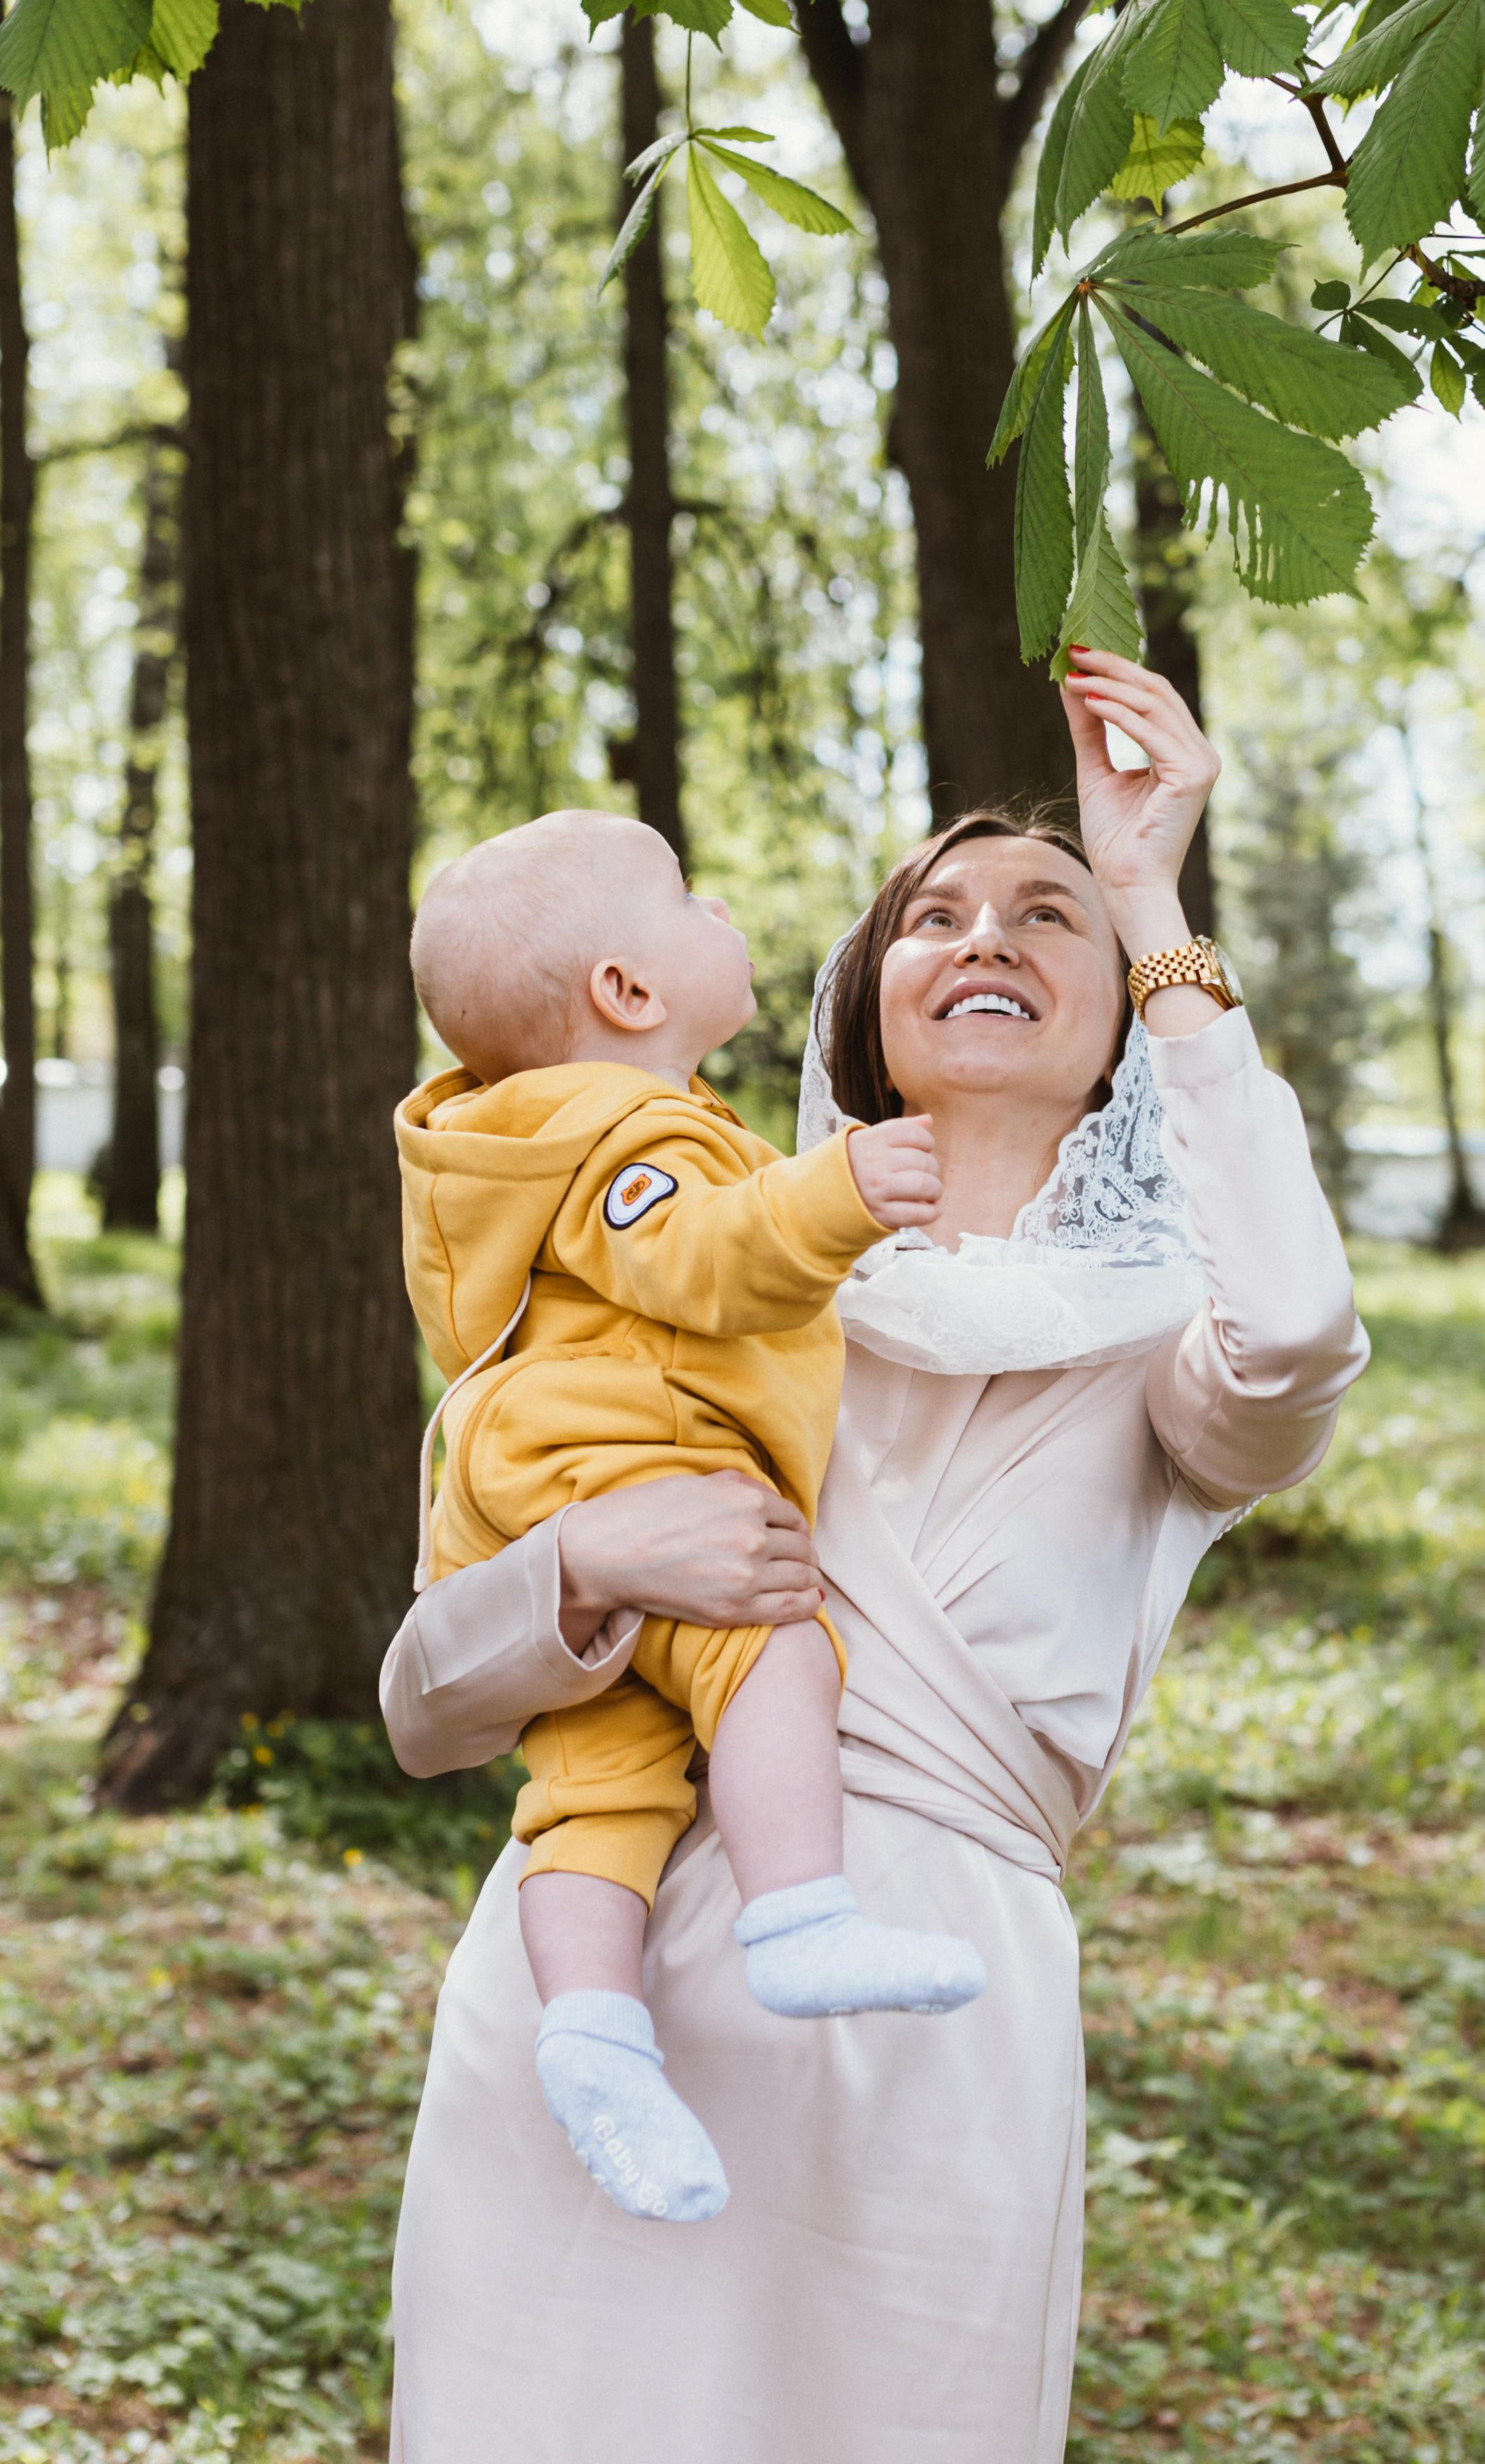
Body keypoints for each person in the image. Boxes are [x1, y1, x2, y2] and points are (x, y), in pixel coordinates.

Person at [381, 651, 1371, 2464]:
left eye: (1046, 917)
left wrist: (1151, 890)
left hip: (933, 2034)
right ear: (865, 1006)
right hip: (600, 1994)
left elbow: (1302, 1332)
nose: (988, 935)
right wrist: (588, 1564)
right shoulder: (690, 1286)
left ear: (1123, 1017)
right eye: (937, 915)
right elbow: (427, 1703)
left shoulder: (1175, 1359)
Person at [397, 812, 986, 2222]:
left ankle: (591, 2033)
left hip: (546, 1473)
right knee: (769, 1638)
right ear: (628, 995)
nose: (718, 904)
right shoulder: (634, 1133)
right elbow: (704, 1262)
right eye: (684, 896)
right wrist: (833, 1194)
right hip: (628, 1455)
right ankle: (803, 1914)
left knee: (595, 1790)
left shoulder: (535, 1138)